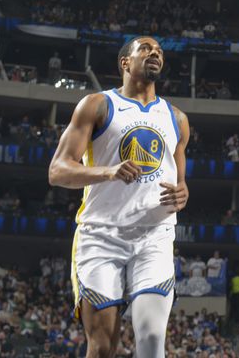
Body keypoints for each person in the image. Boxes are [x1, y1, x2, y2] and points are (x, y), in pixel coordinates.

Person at [48, 35, 191, 358]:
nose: (155, 53)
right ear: (125, 62)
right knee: (102, 347)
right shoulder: (97, 105)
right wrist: (108, 172)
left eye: (159, 51)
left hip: (154, 236)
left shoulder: (177, 119)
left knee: (151, 339)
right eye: (146, 48)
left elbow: (180, 183)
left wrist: (183, 193)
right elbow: (57, 171)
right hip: (102, 235)